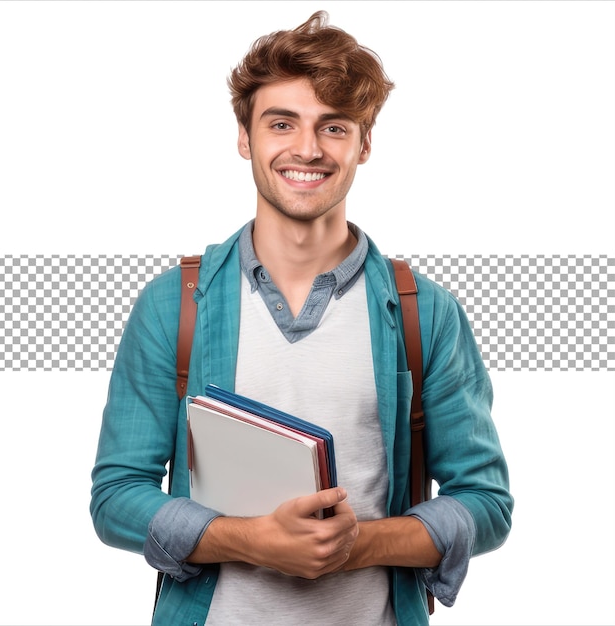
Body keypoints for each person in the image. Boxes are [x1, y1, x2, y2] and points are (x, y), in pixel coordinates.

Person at [90, 11, 513, 625]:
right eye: (281, 123)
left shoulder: (427, 313)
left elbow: (486, 503)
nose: (307, 149)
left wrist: (357, 545)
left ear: (364, 143)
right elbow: (115, 497)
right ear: (245, 136)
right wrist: (248, 539)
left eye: (333, 127)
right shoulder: (173, 304)